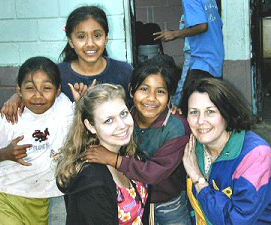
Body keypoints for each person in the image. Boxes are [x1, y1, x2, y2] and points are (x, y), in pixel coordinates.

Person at [82, 55, 192, 225]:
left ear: (170, 96)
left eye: (161, 91)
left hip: (167, 205)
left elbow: (154, 172)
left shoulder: (177, 127)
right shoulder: (125, 118)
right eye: (144, 89)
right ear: (131, 90)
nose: (151, 98)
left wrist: (114, 159)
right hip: (134, 200)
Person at [1, 5, 133, 123]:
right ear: (71, 42)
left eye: (97, 35)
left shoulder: (124, 71)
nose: (90, 43)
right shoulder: (58, 73)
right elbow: (36, 91)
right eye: (81, 37)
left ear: (106, 39)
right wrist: (17, 97)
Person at [0, 56, 75, 225]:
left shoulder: (63, 106)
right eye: (30, 88)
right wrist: (5, 153)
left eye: (46, 88)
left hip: (39, 201)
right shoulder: (11, 117)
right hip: (5, 198)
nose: (38, 96)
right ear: (19, 90)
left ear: (58, 90)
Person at [181, 78, 271, 224]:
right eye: (194, 112)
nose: (200, 121)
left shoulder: (256, 156)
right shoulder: (194, 147)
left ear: (227, 113)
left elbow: (235, 221)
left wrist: (198, 178)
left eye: (210, 112)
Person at [56, 84, 148, 225]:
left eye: (123, 114)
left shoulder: (128, 152)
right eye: (109, 120)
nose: (122, 125)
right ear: (90, 126)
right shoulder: (92, 181)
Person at [154, 0, 224, 88]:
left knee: (191, 97)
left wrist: (174, 34)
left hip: (202, 62)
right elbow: (215, 24)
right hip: (215, 60)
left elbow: (202, 26)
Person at [171, 14, 191, 110]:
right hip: (190, 50)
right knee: (184, 79)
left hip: (199, 51)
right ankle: (175, 105)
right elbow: (182, 33)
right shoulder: (185, 16)